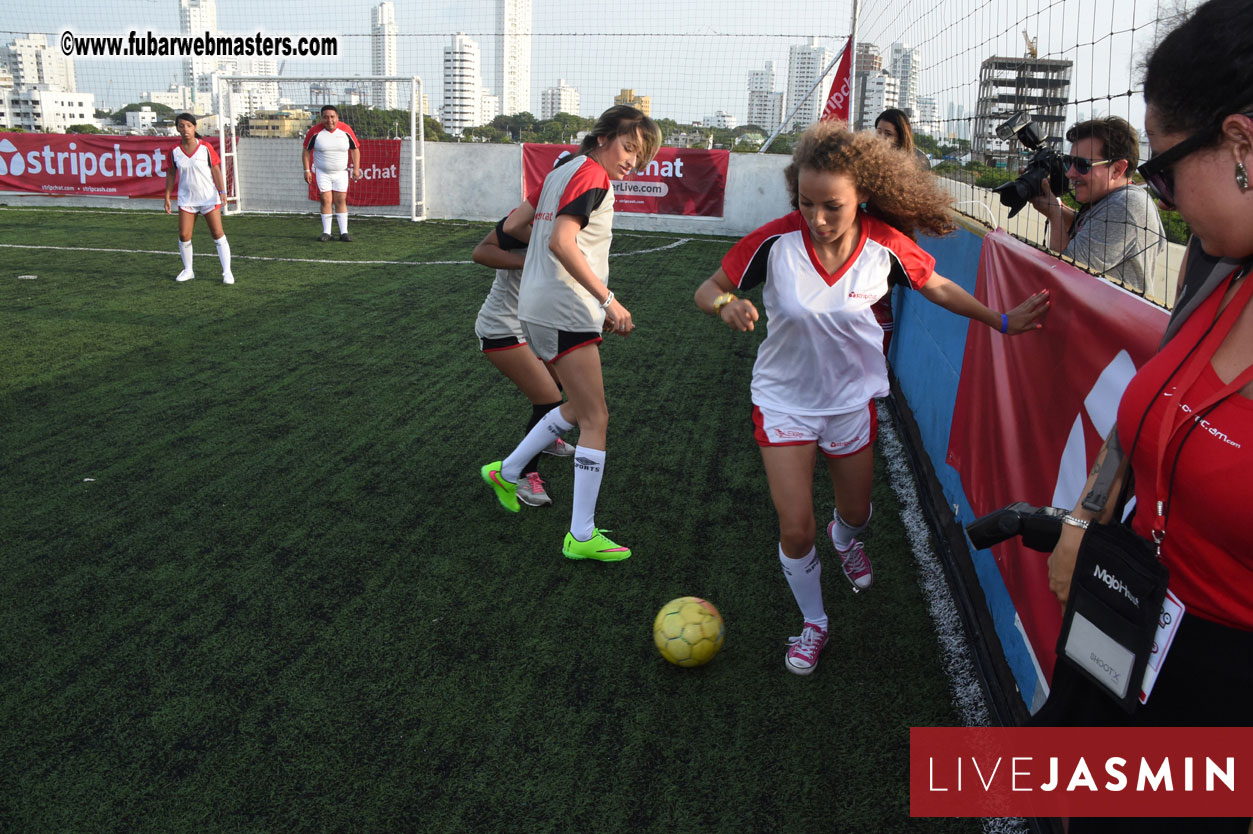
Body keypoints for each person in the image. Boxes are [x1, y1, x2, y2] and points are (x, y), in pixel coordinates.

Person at [694, 121, 1050, 676]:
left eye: (831, 206)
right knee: (795, 528)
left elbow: (937, 286)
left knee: (856, 513)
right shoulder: (774, 242)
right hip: (783, 403)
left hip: (849, 404)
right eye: (806, 203)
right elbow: (708, 287)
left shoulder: (885, 246)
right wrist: (725, 305)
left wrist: (999, 320)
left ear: (862, 194)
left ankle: (845, 539)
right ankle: (814, 622)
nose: (817, 218)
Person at [1039, 2, 1253, 831]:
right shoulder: (1216, 263)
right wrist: (1084, 516)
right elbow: (1151, 409)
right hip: (1126, 626)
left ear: (1239, 143)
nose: (1159, 201)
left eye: (1161, 172)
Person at [480, 105, 661, 562]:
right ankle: (581, 535)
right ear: (603, 138)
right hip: (564, 306)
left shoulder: (562, 171)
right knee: (596, 418)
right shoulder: (591, 175)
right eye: (628, 148)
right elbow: (562, 241)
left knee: (579, 407)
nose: (632, 162)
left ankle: (509, 471)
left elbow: (517, 228)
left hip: (540, 305)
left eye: (639, 157)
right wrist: (607, 299)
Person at [470, 201, 576, 509]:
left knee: (559, 382)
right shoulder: (529, 219)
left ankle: (547, 439)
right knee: (550, 401)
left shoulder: (576, 221)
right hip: (502, 327)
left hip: (535, 324)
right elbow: (481, 252)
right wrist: (531, 261)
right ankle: (522, 476)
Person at [1028, 117, 1166, 294]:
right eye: (1069, 162)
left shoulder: (1125, 205)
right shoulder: (1109, 199)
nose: (1070, 173)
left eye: (1082, 165)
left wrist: (1055, 213)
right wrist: (1053, 205)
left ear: (1117, 169)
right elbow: (1085, 227)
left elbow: (1064, 271)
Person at [872, 108, 930, 353]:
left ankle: (879, 361)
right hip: (865, 238)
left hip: (891, 244)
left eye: (888, 134)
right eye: (878, 131)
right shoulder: (867, 160)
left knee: (880, 300)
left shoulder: (913, 166)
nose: (881, 138)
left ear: (900, 138)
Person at [163, 113, 233, 285]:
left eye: (189, 125)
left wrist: (222, 191)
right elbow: (171, 173)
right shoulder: (174, 151)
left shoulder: (205, 147)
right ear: (177, 128)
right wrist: (167, 196)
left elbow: (216, 169)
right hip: (187, 200)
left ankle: (227, 272)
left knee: (217, 234)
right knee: (184, 235)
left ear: (194, 127)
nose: (185, 129)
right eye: (181, 126)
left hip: (208, 198)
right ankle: (188, 270)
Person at [302, 105, 362, 242]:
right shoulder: (314, 132)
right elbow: (306, 151)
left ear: (337, 117)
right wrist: (307, 170)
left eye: (332, 117)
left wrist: (356, 168)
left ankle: (344, 232)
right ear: (322, 118)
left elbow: (355, 149)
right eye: (326, 117)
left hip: (341, 173)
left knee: (341, 200)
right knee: (325, 200)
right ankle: (327, 232)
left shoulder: (346, 130)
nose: (329, 120)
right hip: (322, 173)